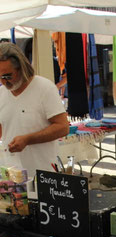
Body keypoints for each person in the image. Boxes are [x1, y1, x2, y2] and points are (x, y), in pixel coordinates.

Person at [0, 42, 69, 178]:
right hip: (12, 174)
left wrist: (28, 139)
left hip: (43, 173)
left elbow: (63, 127)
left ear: (21, 68)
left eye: (8, 76)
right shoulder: (1, 94)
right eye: (0, 77)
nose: (4, 81)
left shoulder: (44, 88)